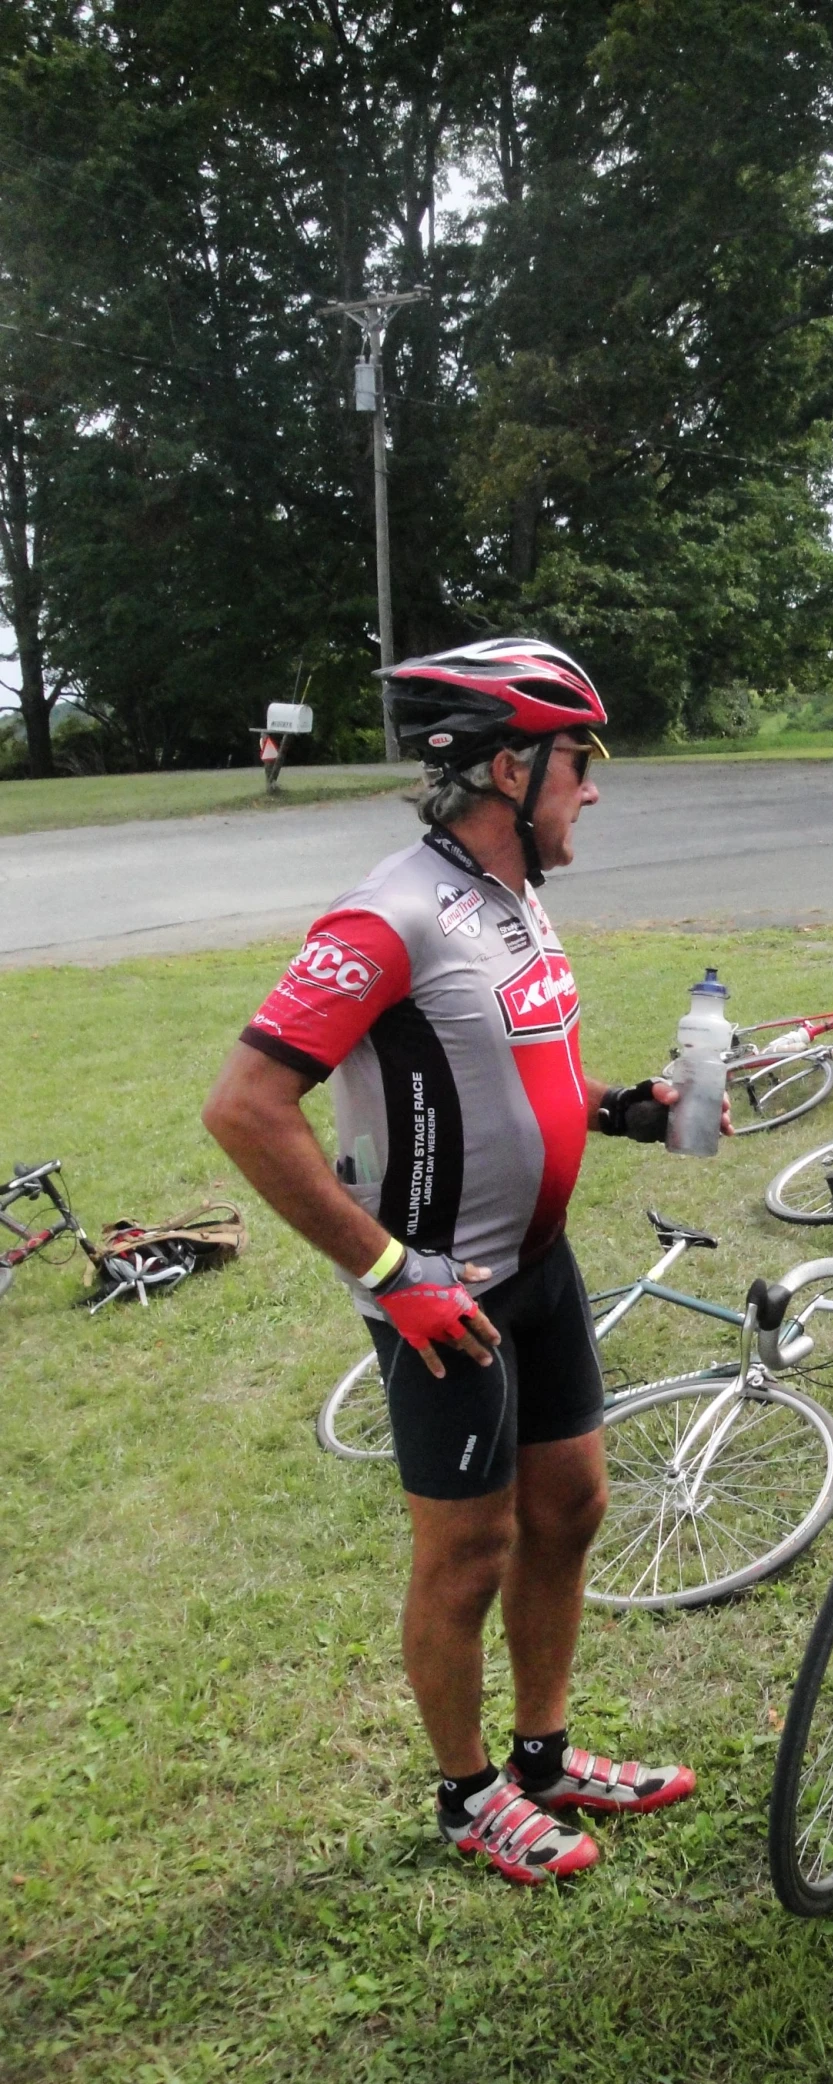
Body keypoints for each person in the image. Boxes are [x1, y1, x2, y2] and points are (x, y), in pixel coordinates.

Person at [202, 637, 701, 1888]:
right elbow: (245, 1106)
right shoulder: (392, 913)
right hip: (440, 1293)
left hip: (538, 1266)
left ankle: (544, 1755)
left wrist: (622, 1107)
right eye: (579, 760)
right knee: (467, 1550)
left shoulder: (513, 894)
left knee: (573, 1505)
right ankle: (468, 1790)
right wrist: (387, 1271)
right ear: (508, 766)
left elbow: (510, 1079)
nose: (593, 785)